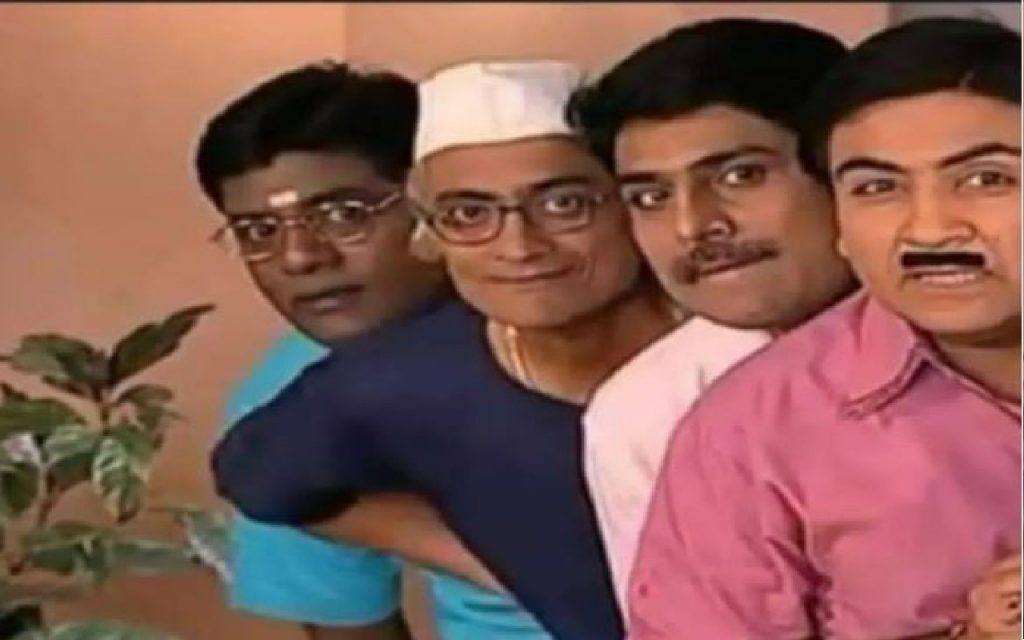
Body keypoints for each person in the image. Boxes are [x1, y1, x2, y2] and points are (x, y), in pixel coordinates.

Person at [210, 59, 687, 640]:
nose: (301, 258)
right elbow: (262, 480)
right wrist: (506, 564)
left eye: (345, 215)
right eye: (469, 213)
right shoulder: (363, 388)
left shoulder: (723, 337)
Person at [627, 17, 1021, 640]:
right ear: (838, 220)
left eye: (986, 179)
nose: (930, 229)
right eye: (878, 188)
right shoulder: (749, 434)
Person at [196, 62, 530, 640]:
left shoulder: (567, 317)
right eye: (258, 231)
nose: (300, 257)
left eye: (344, 215)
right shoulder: (282, 415)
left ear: (434, 204)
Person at [565, 18, 857, 606]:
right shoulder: (647, 415)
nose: (693, 226)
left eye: (740, 175)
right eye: (650, 197)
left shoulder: (988, 343)